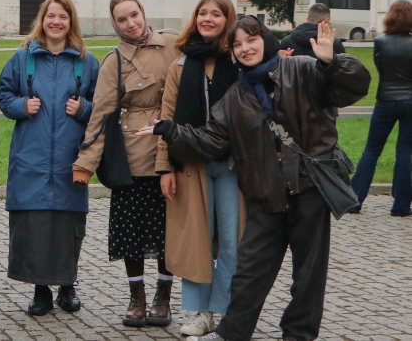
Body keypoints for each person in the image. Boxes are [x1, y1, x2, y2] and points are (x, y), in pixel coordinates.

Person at [137, 17, 370, 341]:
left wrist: (333, 63)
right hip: (265, 196)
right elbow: (210, 140)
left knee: (308, 275)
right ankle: (231, 333)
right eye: (238, 44)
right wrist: (170, 129)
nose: (245, 48)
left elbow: (353, 89)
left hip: (309, 188)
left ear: (265, 40)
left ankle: (298, 335)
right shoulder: (234, 98)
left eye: (251, 40)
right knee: (249, 273)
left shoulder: (302, 69)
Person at [72, 0, 179, 328]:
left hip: (171, 151)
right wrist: (85, 164)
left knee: (168, 232)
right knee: (130, 232)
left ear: (144, 13)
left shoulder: (174, 45)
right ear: (115, 24)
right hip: (132, 157)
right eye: (122, 19)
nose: (131, 23)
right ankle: (137, 297)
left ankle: (164, 296)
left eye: (135, 15)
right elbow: (101, 116)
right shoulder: (114, 61)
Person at [0, 0, 98, 317]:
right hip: (33, 156)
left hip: (71, 156)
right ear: (43, 19)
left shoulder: (86, 61)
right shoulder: (23, 57)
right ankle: (40, 289)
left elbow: (106, 107)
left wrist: (83, 109)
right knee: (35, 222)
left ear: (71, 22)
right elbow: (3, 93)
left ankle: (67, 287)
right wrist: (21, 106)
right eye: (51, 16)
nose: (56, 22)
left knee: (67, 222)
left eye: (62, 17)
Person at [155, 0, 244, 337]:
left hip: (232, 166)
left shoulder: (237, 62)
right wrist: (165, 167)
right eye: (202, 13)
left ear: (227, 20)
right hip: (191, 165)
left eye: (216, 14)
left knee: (232, 241)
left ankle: (220, 309)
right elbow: (166, 118)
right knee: (197, 240)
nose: (208, 18)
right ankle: (197, 312)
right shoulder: (180, 64)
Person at [350, 0, 412, 216]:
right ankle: (401, 206)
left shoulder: (380, 42)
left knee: (372, 149)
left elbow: (380, 66)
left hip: (385, 99)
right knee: (405, 151)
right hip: (410, 100)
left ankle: (355, 200)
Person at [279, 3, 346, 57]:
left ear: (308, 19)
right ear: (327, 20)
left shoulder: (286, 41)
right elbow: (343, 69)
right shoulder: (334, 43)